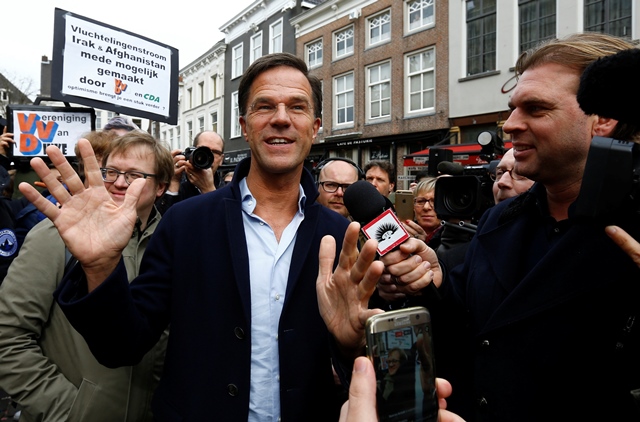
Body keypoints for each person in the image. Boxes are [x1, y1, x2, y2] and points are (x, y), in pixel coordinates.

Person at [19, 53, 436, 420]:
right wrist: (99, 267)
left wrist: (348, 347)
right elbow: (122, 346)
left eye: (297, 106)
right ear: (245, 125)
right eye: (264, 106)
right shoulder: (185, 223)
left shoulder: (342, 237)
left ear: (316, 125)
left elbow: (370, 370)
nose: (280, 118)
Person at [332, 33, 640, 421]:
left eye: (536, 109)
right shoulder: (499, 221)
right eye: (512, 108)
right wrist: (433, 284)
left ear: (604, 116)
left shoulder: (632, 235)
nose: (510, 125)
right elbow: (469, 335)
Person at [0, 131, 173, 421]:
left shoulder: (174, 242)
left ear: (161, 187)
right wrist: (70, 411)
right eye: (112, 172)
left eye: (134, 175)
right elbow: (8, 336)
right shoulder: (57, 236)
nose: (119, 182)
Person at [339, 357, 465, 422]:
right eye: (388, 361)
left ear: (402, 363)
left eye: (394, 360)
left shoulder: (408, 384)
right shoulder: (379, 381)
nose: (391, 364)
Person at [155, 130, 224, 214]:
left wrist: (208, 190)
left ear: (221, 159)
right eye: (203, 150)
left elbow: (226, 222)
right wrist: (173, 182)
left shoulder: (230, 190)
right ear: (193, 152)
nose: (208, 156)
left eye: (215, 152)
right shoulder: (179, 181)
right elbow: (162, 223)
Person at [402, 178, 442, 248]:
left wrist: (426, 244)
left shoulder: (454, 239)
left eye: (434, 201)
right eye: (420, 201)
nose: (426, 207)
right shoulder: (402, 232)